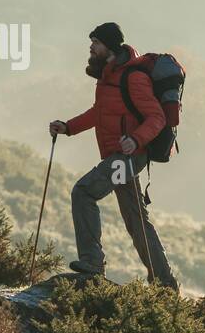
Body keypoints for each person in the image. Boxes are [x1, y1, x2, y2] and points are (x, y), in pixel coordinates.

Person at [48, 22, 179, 292]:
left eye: (95, 42)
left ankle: (93, 262)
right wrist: (68, 127)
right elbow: (99, 113)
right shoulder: (108, 77)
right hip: (122, 156)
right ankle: (165, 284)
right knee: (136, 220)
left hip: (128, 156)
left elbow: (157, 117)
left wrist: (135, 140)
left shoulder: (132, 77)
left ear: (108, 45)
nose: (91, 47)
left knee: (83, 192)